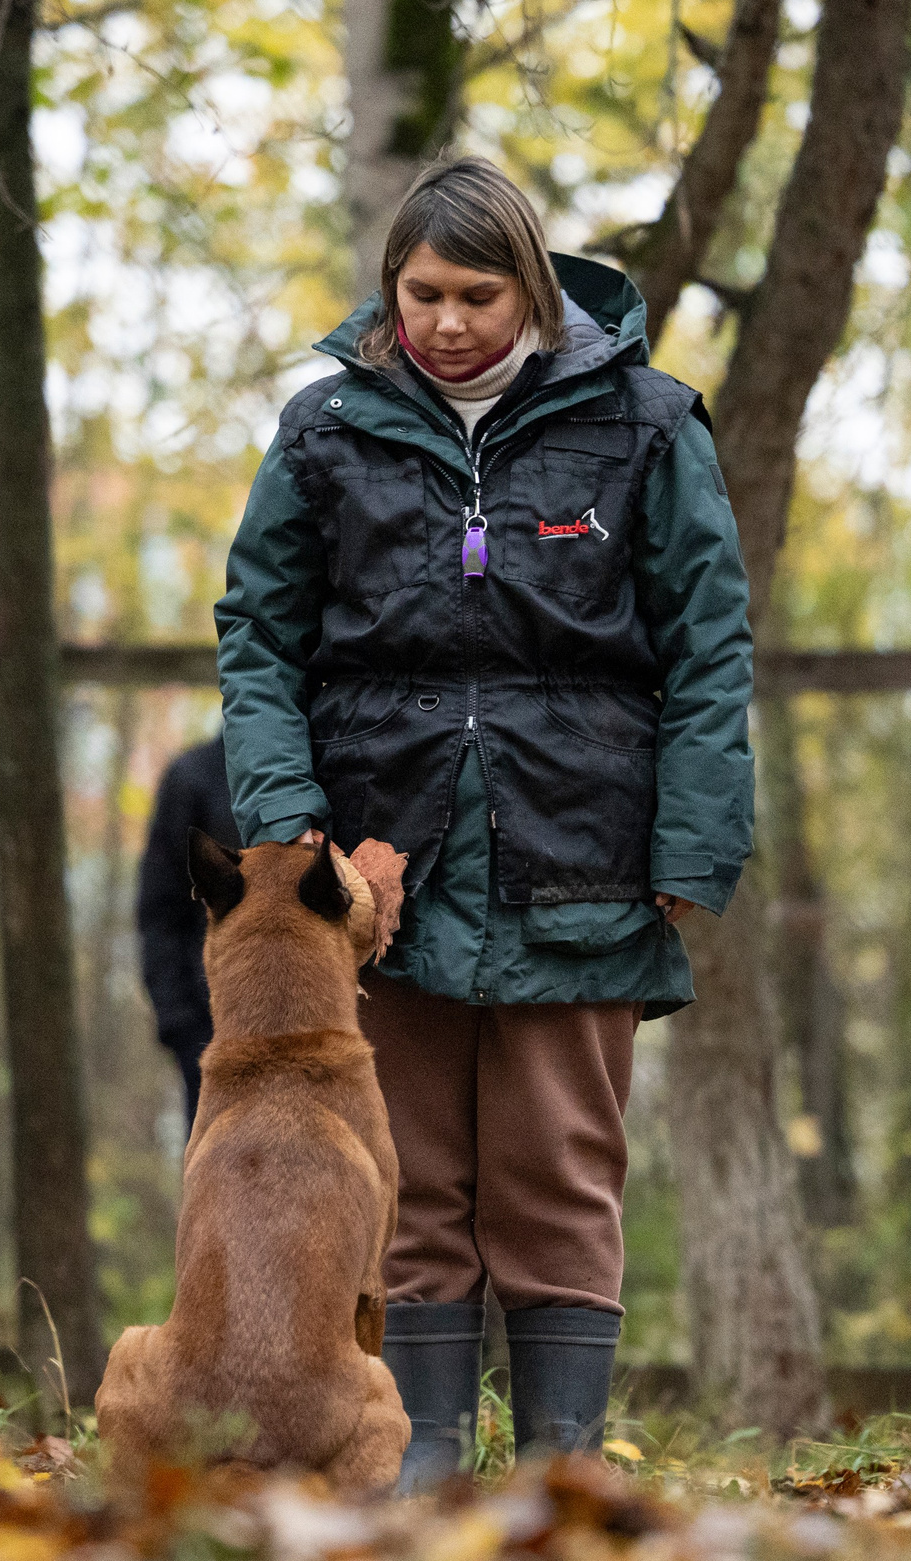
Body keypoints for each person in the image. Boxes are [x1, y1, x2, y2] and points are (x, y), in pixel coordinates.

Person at [216, 157, 752, 1491]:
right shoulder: (324, 429)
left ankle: (566, 1462)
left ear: (531, 288)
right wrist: (291, 836)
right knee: (412, 1174)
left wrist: (692, 845)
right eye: (421, 292)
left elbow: (711, 645)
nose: (447, 321)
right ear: (390, 288)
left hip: (586, 847)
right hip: (379, 863)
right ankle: (433, 1459)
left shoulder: (647, 424)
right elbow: (259, 637)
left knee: (558, 1166)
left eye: (476, 292)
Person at [136, 734, 236, 1135]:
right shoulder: (194, 777)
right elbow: (161, 909)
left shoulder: (326, 768)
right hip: (210, 1035)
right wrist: (180, 1024)